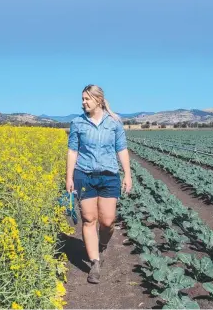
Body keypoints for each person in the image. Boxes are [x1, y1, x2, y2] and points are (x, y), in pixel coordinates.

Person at [65, 84, 132, 284]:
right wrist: (69, 177)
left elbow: (122, 149)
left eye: (87, 99)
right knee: (88, 219)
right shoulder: (77, 123)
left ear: (99, 100)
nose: (83, 102)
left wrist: (127, 175)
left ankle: (102, 243)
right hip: (84, 175)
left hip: (109, 175)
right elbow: (72, 152)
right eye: (82, 99)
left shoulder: (114, 122)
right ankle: (95, 262)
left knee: (108, 221)